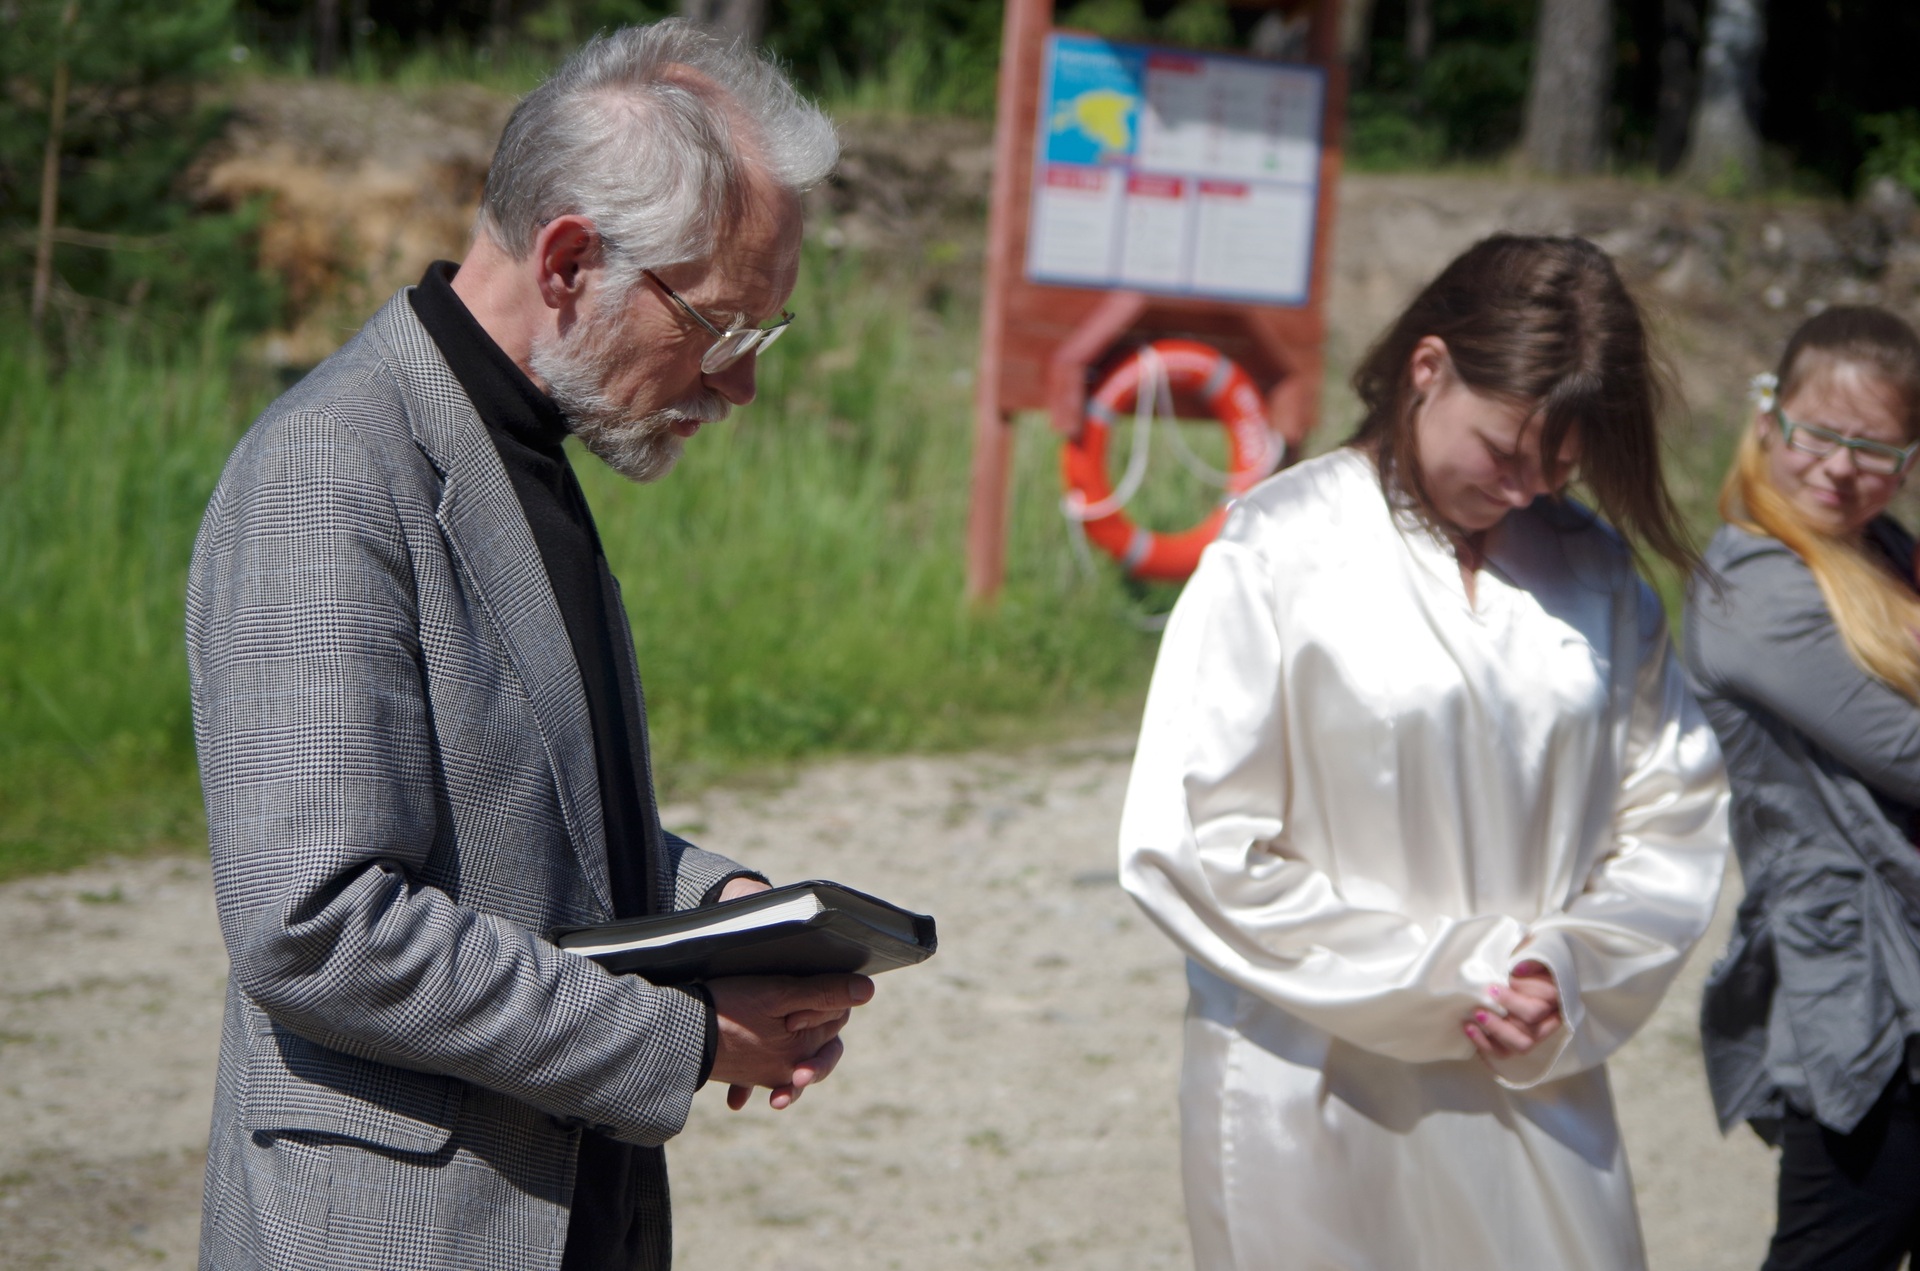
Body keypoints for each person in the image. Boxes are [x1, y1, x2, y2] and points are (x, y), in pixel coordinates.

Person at [187, 22, 874, 1271]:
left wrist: (723, 908)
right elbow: (316, 926)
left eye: (760, 338)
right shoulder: (331, 470)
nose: (737, 387)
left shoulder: (517, 443)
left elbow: (532, 815)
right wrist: (688, 1036)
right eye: (721, 326)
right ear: (568, 261)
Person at [1117, 234, 1731, 1270]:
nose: (1527, 489)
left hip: (1532, 1063)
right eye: (1504, 451)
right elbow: (1195, 842)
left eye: (1560, 467)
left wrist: (1568, 966)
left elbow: (1671, 810)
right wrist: (1451, 975)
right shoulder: (1282, 547)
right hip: (1309, 1082)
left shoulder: (1594, 570)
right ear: (1428, 367)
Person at [1685, 306, 1920, 1270]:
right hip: (1868, 997)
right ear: (1769, 419)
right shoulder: (1755, 586)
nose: (1840, 467)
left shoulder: (1881, 549)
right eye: (1818, 433)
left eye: (1875, 448)